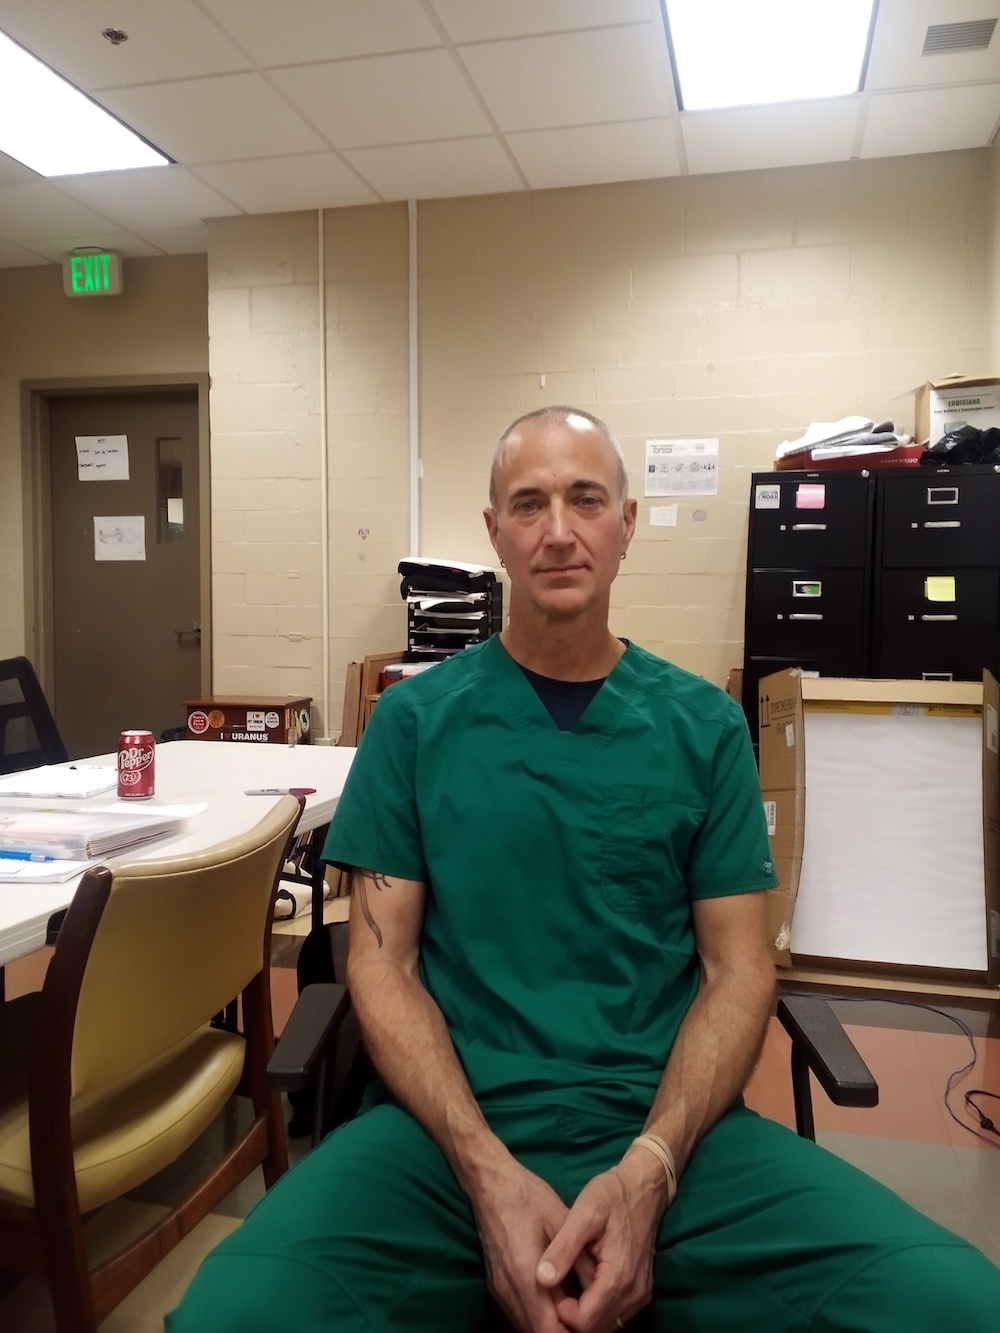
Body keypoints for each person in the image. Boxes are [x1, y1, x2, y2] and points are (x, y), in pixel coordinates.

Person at [168, 407, 1000, 1332]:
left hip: (673, 1136)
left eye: (586, 499)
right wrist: (483, 1169)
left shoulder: (702, 728)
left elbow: (739, 970)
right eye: (528, 504)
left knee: (953, 1300)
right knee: (234, 1310)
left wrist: (652, 1167)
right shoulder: (413, 724)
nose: (559, 529)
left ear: (627, 524)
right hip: (444, 1139)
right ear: (494, 533)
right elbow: (380, 964)